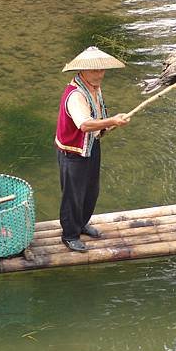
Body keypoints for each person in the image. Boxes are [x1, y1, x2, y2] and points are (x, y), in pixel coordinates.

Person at [55, 46, 130, 252]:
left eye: (102, 70)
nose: (100, 74)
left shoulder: (94, 87)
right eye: (95, 71)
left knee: (91, 190)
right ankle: (69, 234)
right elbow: (85, 124)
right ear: (83, 71)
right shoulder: (76, 95)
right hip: (73, 151)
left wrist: (110, 124)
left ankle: (81, 223)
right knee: (73, 194)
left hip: (90, 145)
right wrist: (112, 120)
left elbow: (96, 120)